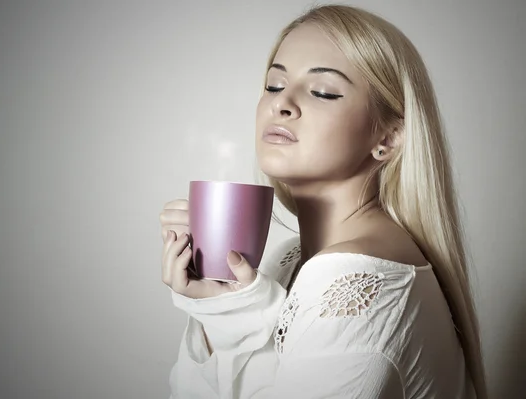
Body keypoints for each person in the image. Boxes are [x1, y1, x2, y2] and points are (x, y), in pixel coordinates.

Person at [159, 4, 487, 398]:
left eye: (323, 92)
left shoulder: (360, 285)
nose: (282, 104)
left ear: (388, 138)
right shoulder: (289, 259)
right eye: (274, 85)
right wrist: (216, 308)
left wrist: (240, 313)